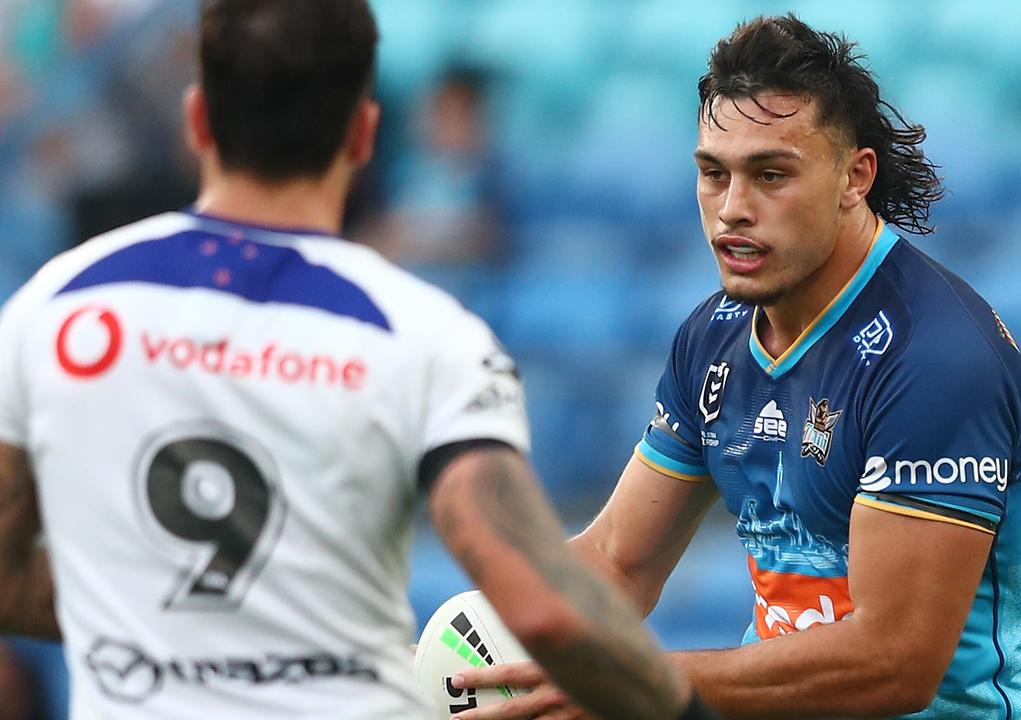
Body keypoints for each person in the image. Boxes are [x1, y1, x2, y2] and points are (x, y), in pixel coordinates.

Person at [0, 2, 715, 719]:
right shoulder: (425, 335)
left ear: (197, 121)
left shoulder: (51, 309)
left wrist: (146, 614)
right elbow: (545, 609)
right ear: (364, 132)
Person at [457, 14, 1021, 720]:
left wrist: (633, 681)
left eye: (771, 174)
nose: (731, 210)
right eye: (714, 174)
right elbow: (618, 561)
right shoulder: (714, 337)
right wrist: (469, 648)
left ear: (854, 176)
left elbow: (894, 664)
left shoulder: (935, 359)